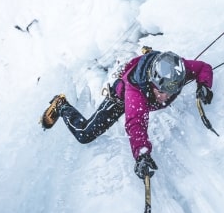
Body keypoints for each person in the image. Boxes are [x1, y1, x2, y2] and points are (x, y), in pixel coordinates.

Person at [41, 47, 214, 179]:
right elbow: (135, 124)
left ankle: (148, 54)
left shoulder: (177, 70)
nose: (166, 97)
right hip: (119, 99)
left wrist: (204, 85)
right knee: (84, 134)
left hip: (146, 67)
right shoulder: (135, 95)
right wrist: (142, 155)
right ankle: (61, 105)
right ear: (153, 81)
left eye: (171, 92)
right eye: (162, 92)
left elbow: (203, 68)